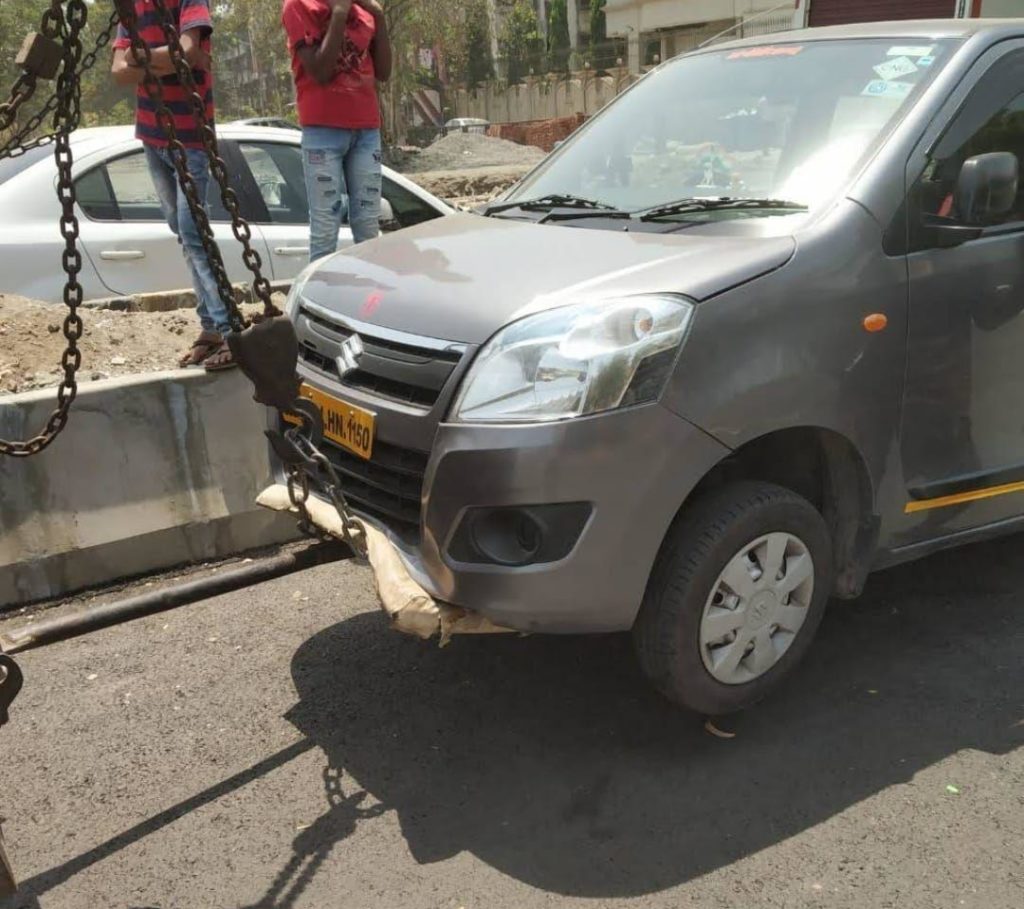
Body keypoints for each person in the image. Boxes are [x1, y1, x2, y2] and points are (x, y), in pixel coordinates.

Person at [111, 0, 236, 371]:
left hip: (191, 139)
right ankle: (211, 328)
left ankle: (231, 332)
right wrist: (169, 60)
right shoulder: (131, 7)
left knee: (193, 233)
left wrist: (140, 58)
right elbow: (118, 71)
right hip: (153, 137)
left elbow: (190, 50)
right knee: (184, 235)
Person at [281, 0, 393, 262]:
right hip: (323, 131)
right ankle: (317, 298)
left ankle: (369, 295)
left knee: (368, 226)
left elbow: (384, 72)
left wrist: (379, 15)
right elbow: (320, 71)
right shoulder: (298, 6)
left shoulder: (365, 10)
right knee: (325, 228)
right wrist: (340, 12)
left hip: (366, 130)